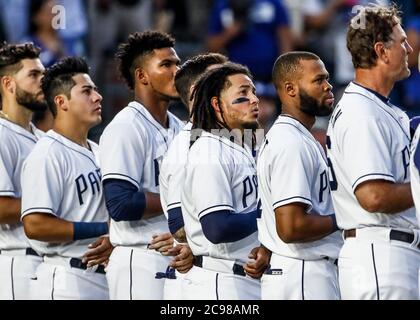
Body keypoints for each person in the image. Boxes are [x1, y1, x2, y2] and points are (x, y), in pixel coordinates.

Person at [326, 4, 420, 299]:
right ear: (381, 50)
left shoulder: (379, 108)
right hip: (380, 256)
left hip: (390, 254)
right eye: (402, 41)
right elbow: (373, 196)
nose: (408, 49)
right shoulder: (362, 112)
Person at [99, 30, 183, 300]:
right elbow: (121, 203)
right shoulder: (126, 127)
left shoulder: (181, 128)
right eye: (166, 65)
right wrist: (184, 202)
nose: (177, 71)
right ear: (142, 76)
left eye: (177, 64)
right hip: (140, 259)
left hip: (174, 254)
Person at [20, 57, 112, 300]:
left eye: (95, 89)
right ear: (62, 102)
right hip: (66, 280)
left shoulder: (99, 150)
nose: (97, 97)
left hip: (103, 277)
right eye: (87, 91)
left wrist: (114, 236)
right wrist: (105, 229)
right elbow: (35, 224)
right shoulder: (47, 153)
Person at [180, 63, 270, 300]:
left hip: (245, 277)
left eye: (254, 92)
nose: (254, 100)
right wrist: (272, 214)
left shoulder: (240, 147)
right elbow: (217, 227)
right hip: (220, 282)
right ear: (216, 105)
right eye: (243, 95)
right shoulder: (209, 149)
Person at [257, 51, 342, 300]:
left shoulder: (297, 136)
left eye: (327, 78)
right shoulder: (290, 141)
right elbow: (291, 227)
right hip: (302, 274)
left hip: (301, 271)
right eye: (318, 80)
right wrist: (347, 217)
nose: (328, 86)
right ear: (290, 89)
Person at [159, 52, 228, 299]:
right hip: (204, 278)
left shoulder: (230, 139)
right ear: (199, 90)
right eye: (223, 78)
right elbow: (178, 226)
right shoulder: (186, 146)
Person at [0, 42, 46, 300]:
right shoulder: (1, 134)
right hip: (16, 262)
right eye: (33, 75)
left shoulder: (42, 138)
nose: (43, 81)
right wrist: (52, 205)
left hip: (47, 262)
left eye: (43, 74)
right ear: (8, 84)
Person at [206, 0, 292, 83]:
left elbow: (285, 37)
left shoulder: (272, 2)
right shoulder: (223, 5)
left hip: (269, 76)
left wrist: (283, 70)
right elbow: (211, 45)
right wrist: (229, 33)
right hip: (235, 77)